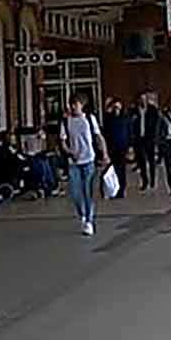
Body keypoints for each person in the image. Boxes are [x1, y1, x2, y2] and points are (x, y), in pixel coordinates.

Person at [64, 96, 100, 236]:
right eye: (71, 104)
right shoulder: (66, 121)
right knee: (75, 192)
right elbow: (63, 141)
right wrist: (69, 151)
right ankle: (82, 214)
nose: (73, 107)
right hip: (74, 161)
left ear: (82, 105)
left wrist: (104, 153)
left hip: (88, 159)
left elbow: (97, 136)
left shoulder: (90, 119)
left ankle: (89, 221)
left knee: (87, 191)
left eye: (76, 104)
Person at [102, 98, 132, 198]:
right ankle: (113, 188)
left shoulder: (126, 118)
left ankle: (121, 189)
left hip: (122, 146)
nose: (116, 109)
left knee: (121, 169)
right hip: (112, 147)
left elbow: (129, 133)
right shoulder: (109, 119)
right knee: (113, 169)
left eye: (118, 107)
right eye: (114, 107)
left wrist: (130, 147)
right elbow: (105, 133)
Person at [133, 95, 162, 194]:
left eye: (144, 99)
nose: (143, 101)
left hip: (150, 139)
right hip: (139, 139)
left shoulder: (152, 110)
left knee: (151, 160)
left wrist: (155, 137)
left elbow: (157, 124)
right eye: (141, 99)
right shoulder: (134, 110)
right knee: (141, 161)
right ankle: (145, 181)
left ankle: (153, 180)